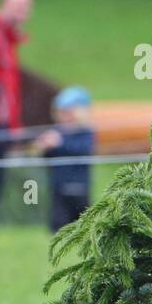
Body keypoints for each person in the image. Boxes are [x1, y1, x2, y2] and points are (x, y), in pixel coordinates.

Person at [0, 0, 32, 240]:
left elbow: (8, 90)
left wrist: (13, 129)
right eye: (17, 6)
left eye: (26, 7)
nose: (23, 12)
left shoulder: (6, 39)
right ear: (3, 4)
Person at [34, 86, 95, 231]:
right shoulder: (56, 131)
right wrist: (45, 147)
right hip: (58, 187)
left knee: (82, 225)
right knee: (58, 223)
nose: (64, 117)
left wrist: (59, 143)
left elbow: (82, 150)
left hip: (79, 187)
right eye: (62, 113)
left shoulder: (85, 132)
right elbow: (47, 159)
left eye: (68, 113)